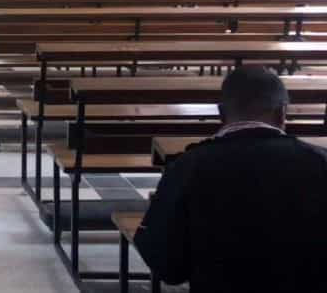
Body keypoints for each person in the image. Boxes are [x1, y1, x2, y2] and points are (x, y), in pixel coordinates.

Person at [134, 66, 327, 292]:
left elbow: (165, 264)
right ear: (283, 113)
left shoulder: (189, 166)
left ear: (221, 113)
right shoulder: (320, 163)